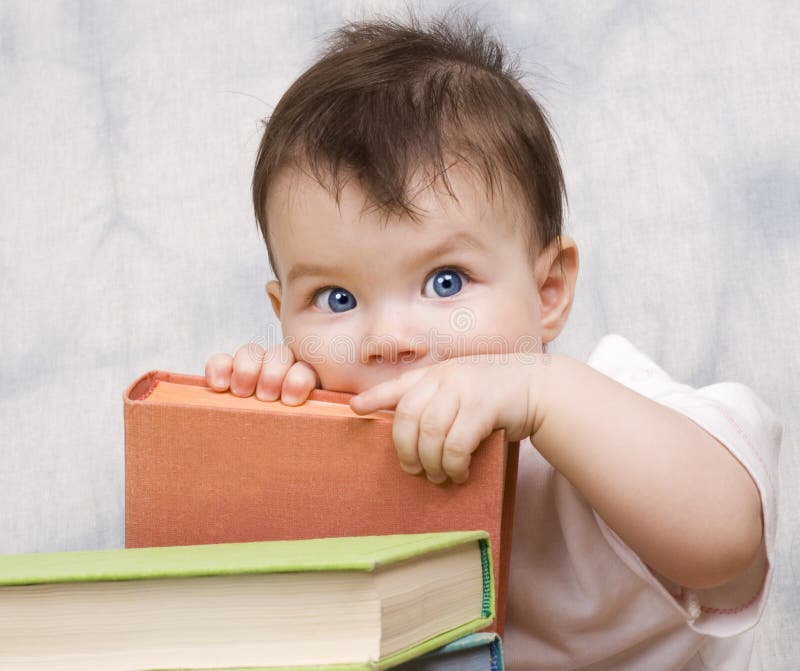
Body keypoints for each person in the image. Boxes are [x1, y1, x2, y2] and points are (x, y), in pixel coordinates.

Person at [204, 9, 781, 670]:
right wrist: (248, 437)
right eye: (335, 299)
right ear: (282, 316)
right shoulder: (329, 439)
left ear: (548, 291)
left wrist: (544, 387)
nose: (389, 339)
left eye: (446, 281)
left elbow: (725, 539)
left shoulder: (615, 412)